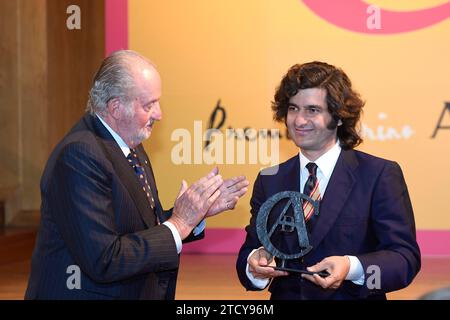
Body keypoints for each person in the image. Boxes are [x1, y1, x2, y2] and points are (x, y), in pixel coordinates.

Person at [25, 50, 249, 299]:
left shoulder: (131, 145)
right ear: (116, 107)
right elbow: (105, 259)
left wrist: (194, 214)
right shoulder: (79, 156)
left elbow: (138, 229)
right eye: (149, 104)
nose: (159, 114)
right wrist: (179, 223)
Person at [236, 61, 421, 299]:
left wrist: (352, 268)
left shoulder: (379, 174)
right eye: (293, 109)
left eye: (312, 110)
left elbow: (404, 260)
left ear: (340, 116)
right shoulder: (270, 180)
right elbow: (250, 252)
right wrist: (255, 264)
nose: (299, 121)